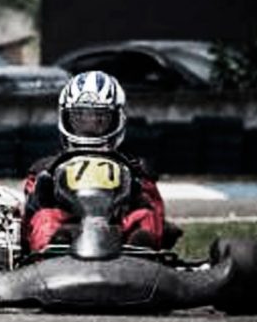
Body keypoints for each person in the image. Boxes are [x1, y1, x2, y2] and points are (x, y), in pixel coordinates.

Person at [22, 70, 170, 252]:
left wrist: (138, 192)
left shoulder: (134, 168)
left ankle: (140, 251)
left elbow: (154, 208)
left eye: (99, 118)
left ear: (117, 119)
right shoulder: (45, 168)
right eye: (81, 118)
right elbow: (29, 216)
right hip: (68, 228)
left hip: (117, 230)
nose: (89, 125)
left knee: (145, 216)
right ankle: (53, 250)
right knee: (46, 218)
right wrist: (42, 194)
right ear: (66, 118)